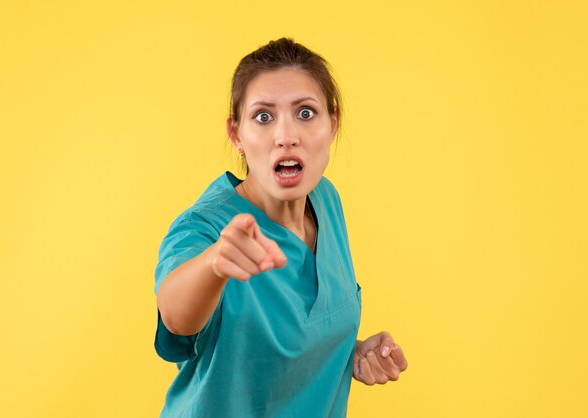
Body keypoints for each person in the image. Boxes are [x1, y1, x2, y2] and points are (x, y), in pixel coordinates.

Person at [154, 38, 407, 417]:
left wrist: (349, 352)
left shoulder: (326, 201)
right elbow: (175, 316)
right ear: (236, 134)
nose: (286, 136)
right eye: (263, 116)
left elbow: (295, 331)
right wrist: (215, 265)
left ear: (333, 125)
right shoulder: (206, 227)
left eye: (305, 113)